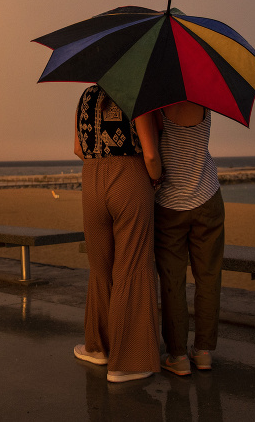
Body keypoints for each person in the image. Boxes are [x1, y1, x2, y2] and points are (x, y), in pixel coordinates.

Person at [73, 85, 163, 383]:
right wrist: (157, 178)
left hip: (92, 180)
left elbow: (77, 149)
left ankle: (98, 347)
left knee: (101, 268)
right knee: (133, 266)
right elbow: (150, 154)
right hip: (129, 175)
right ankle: (128, 363)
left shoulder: (86, 96)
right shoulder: (137, 93)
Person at [153, 101, 225, 376]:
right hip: (208, 197)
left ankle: (178, 355)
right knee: (208, 276)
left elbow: (154, 158)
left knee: (172, 280)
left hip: (170, 204)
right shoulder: (206, 102)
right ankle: (204, 352)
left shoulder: (156, 107)